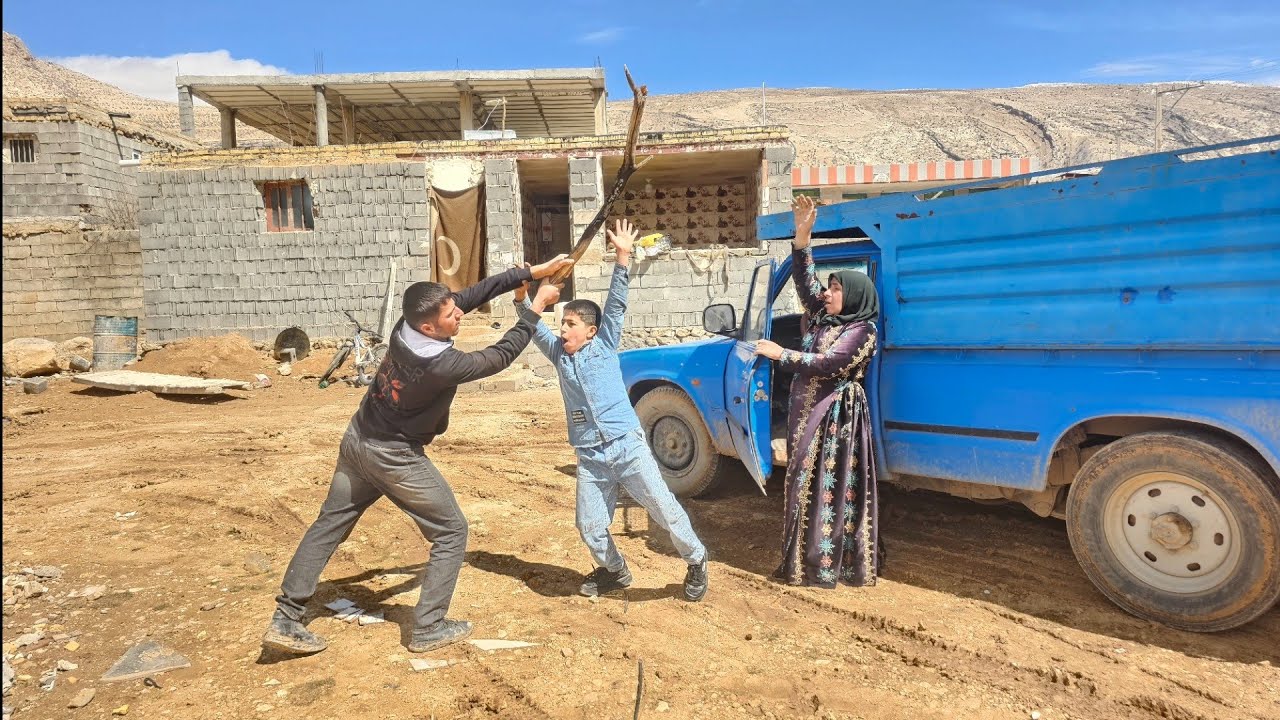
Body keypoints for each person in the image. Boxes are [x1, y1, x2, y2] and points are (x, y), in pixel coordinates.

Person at [262, 253, 574, 656]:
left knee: (329, 524)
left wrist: (532, 273)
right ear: (429, 326)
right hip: (393, 456)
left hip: (358, 440)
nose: (459, 313)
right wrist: (535, 308)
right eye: (450, 314)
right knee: (451, 531)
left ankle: (286, 618)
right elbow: (498, 357)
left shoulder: (405, 326)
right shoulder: (439, 364)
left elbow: (474, 294)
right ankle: (428, 627)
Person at [514, 219, 710, 601]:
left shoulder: (604, 346)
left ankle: (697, 559)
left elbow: (616, 304)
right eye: (562, 323)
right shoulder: (558, 355)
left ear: (590, 330)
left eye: (570, 324)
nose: (562, 330)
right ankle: (615, 571)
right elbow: (531, 325)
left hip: (627, 447)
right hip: (590, 456)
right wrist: (523, 294)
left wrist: (623, 256)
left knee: (664, 510)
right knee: (589, 525)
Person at [752, 195, 883, 588]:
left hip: (836, 419)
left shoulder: (863, 330)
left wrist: (782, 354)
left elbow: (831, 364)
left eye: (836, 288)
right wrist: (802, 238)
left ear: (854, 295)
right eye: (828, 287)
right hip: (807, 414)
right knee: (800, 482)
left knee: (831, 486)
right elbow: (805, 283)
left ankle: (827, 564)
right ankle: (799, 561)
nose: (827, 294)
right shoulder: (824, 318)